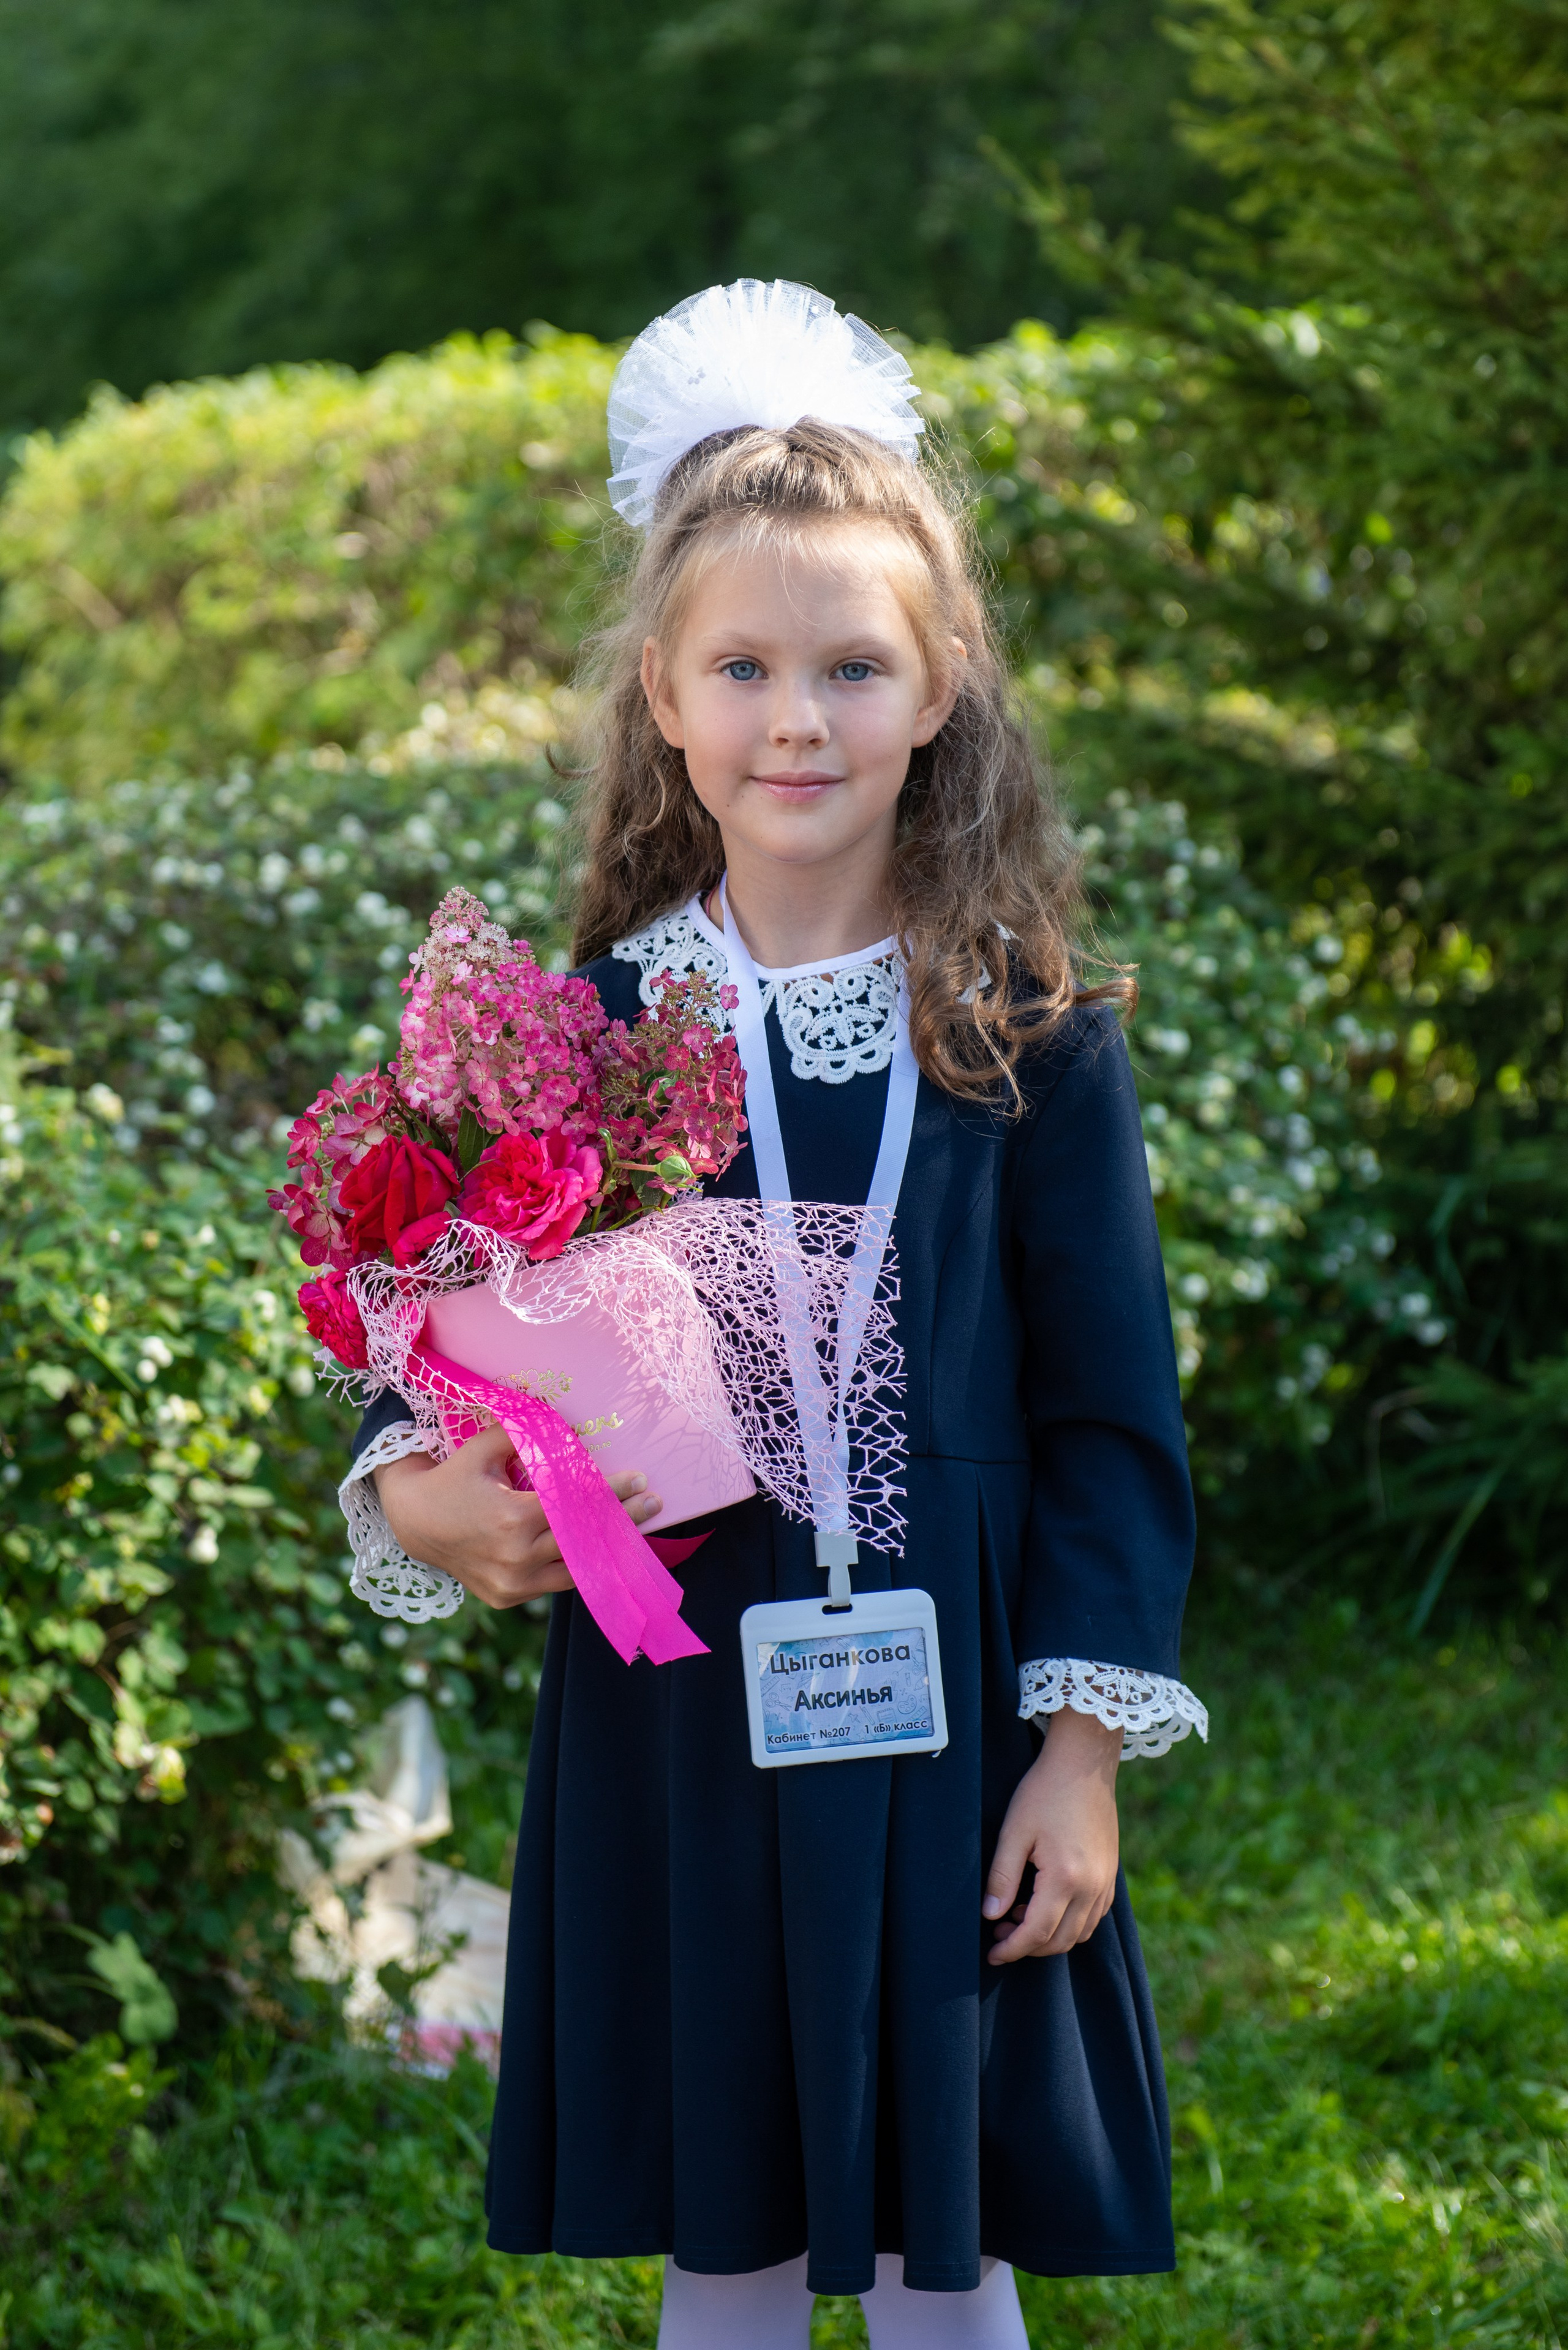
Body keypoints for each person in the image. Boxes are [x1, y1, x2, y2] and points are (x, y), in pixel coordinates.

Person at [339, 280, 1207, 2349]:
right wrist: (417, 1502)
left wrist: (1078, 1752)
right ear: (663, 692)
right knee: (717, 2226)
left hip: (955, 1701)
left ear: (940, 688)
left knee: (945, 2238)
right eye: (743, 665)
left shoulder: (1028, 1037)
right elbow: (437, 1341)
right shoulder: (582, 1036)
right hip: (681, 1719)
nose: (795, 718)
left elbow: (1111, 1422)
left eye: (849, 665)